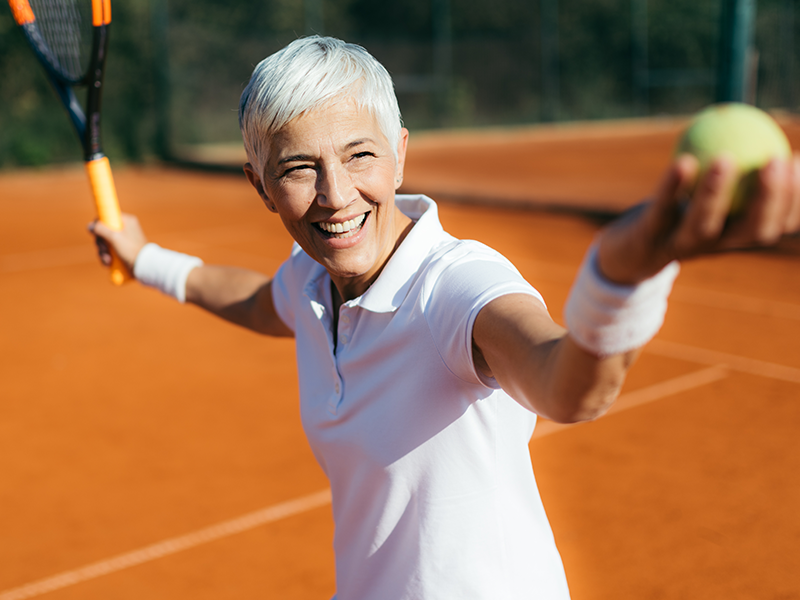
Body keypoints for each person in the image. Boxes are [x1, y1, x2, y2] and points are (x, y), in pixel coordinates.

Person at [89, 36, 800, 600]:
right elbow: (247, 297)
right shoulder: (311, 281)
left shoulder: (455, 287)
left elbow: (570, 387)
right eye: (299, 168)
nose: (336, 195)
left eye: (360, 154)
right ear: (260, 184)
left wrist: (621, 276)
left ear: (399, 154)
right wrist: (144, 256)